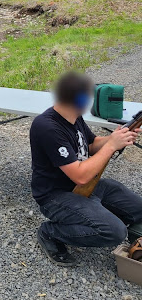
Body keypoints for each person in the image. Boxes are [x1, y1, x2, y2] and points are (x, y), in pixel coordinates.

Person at [30, 71, 142, 266]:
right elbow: (80, 176)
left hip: (89, 187)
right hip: (56, 195)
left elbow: (90, 145)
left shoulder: (74, 116)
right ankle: (50, 233)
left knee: (139, 209)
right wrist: (110, 146)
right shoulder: (47, 126)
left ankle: (98, 216)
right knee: (115, 232)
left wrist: (117, 138)